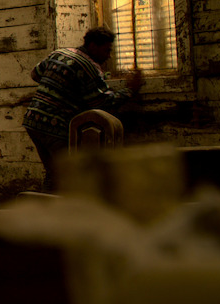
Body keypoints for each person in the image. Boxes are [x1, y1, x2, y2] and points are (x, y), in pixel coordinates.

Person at [23, 26, 143, 191]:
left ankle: (47, 207)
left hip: (33, 121)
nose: (109, 56)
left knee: (53, 172)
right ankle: (62, 211)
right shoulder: (88, 67)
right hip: (55, 126)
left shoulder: (60, 53)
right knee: (68, 174)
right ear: (93, 46)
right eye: (106, 50)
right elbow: (102, 103)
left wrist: (58, 85)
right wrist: (131, 90)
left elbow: (35, 74)